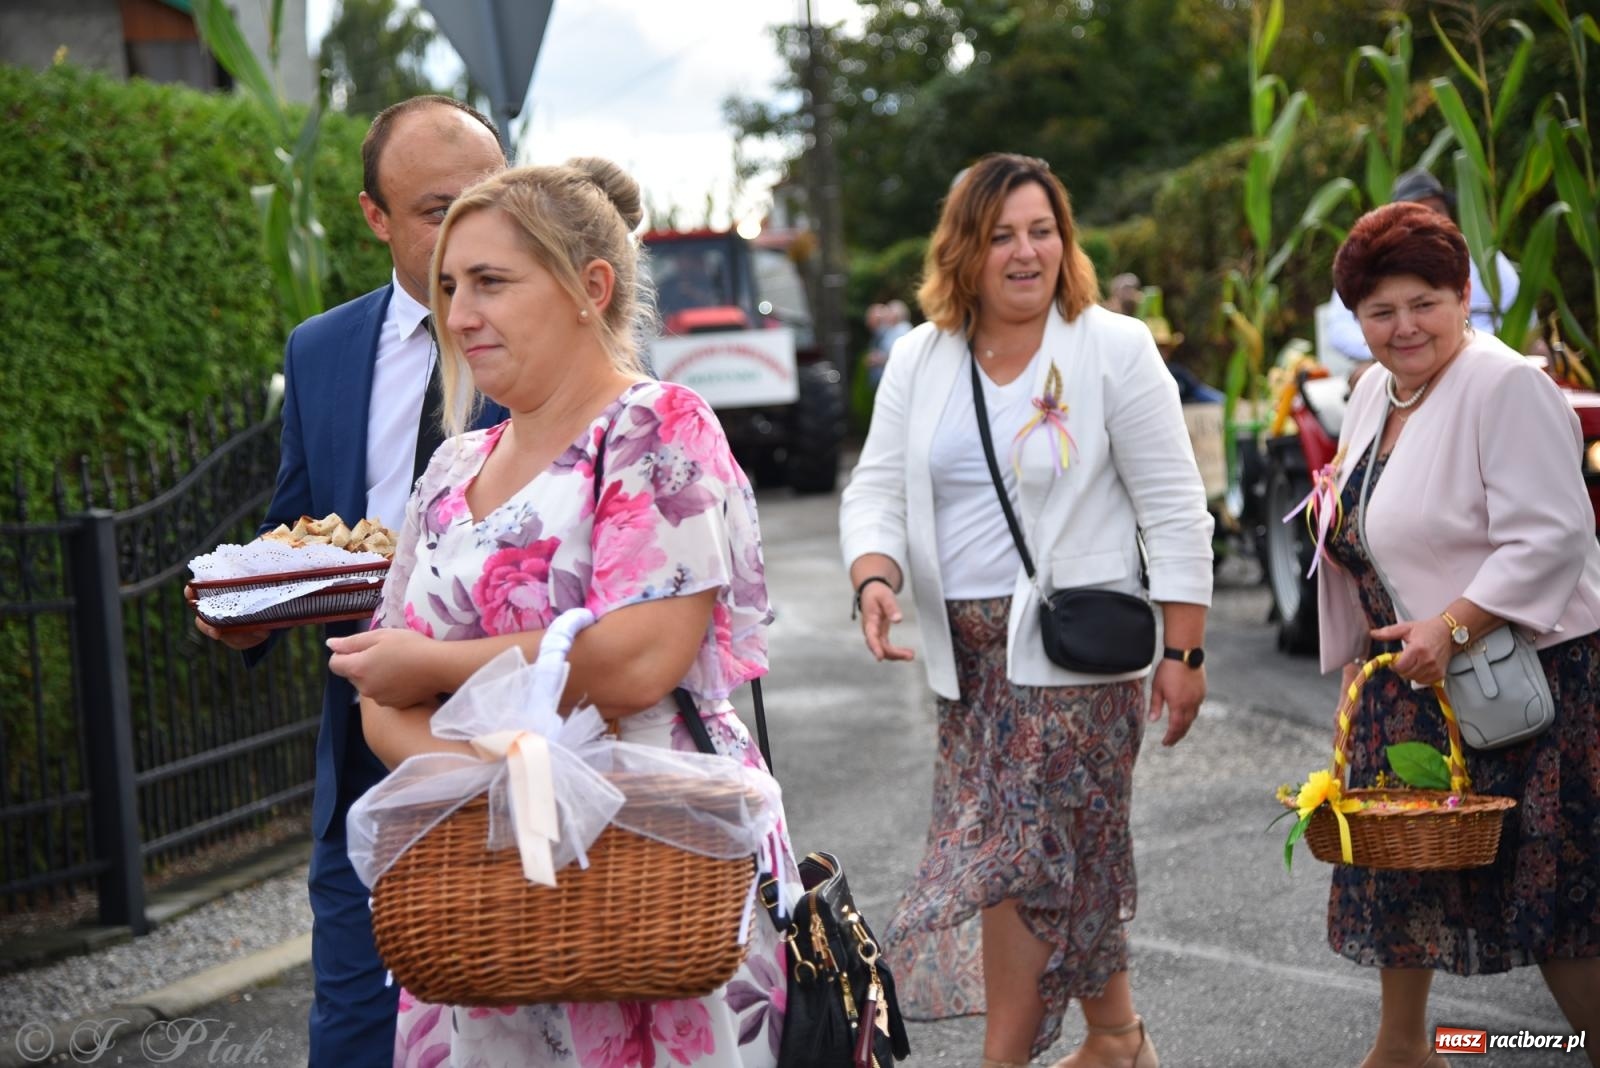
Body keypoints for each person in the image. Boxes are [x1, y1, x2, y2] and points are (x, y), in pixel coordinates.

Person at [323, 159, 793, 1067]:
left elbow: (636, 659)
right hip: (483, 895)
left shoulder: (655, 426)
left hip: (647, 870)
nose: (459, 316)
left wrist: (437, 673)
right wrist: (494, 788)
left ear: (591, 287)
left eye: (491, 282)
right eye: (451, 286)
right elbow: (379, 695)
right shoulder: (451, 468)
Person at [839, 153, 1214, 1068]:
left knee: (1020, 863)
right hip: (965, 669)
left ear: (1065, 240)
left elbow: (1174, 506)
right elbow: (876, 487)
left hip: (1072, 661)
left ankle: (1002, 1062)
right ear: (963, 250)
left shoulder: (1111, 347)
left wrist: (1187, 655)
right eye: (1001, 234)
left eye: (1041, 230)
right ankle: (1118, 1037)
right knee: (1055, 861)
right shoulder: (920, 359)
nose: (1025, 251)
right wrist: (874, 576)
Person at [190, 96, 507, 1066]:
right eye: (435, 208)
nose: (469, 227)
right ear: (374, 217)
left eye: (488, 197)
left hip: (517, 743)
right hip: (364, 754)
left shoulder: (560, 342)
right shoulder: (320, 351)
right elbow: (299, 531)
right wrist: (249, 613)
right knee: (359, 1038)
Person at [1314, 200, 1600, 1068]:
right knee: (1399, 882)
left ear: (1465, 293)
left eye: (1424, 302)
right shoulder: (1373, 390)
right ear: (1355, 321)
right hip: (1410, 682)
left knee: (1552, 904)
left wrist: (1453, 623)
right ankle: (1402, 1052)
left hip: (1521, 684)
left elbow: (1553, 533)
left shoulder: (1505, 383)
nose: (1403, 327)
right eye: (1379, 311)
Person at [1323, 168, 1521, 366]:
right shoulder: (1371, 262)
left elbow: (1519, 306)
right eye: (1383, 312)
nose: (1406, 328)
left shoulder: (1479, 252)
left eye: (1436, 210)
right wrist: (1385, 349)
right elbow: (1340, 327)